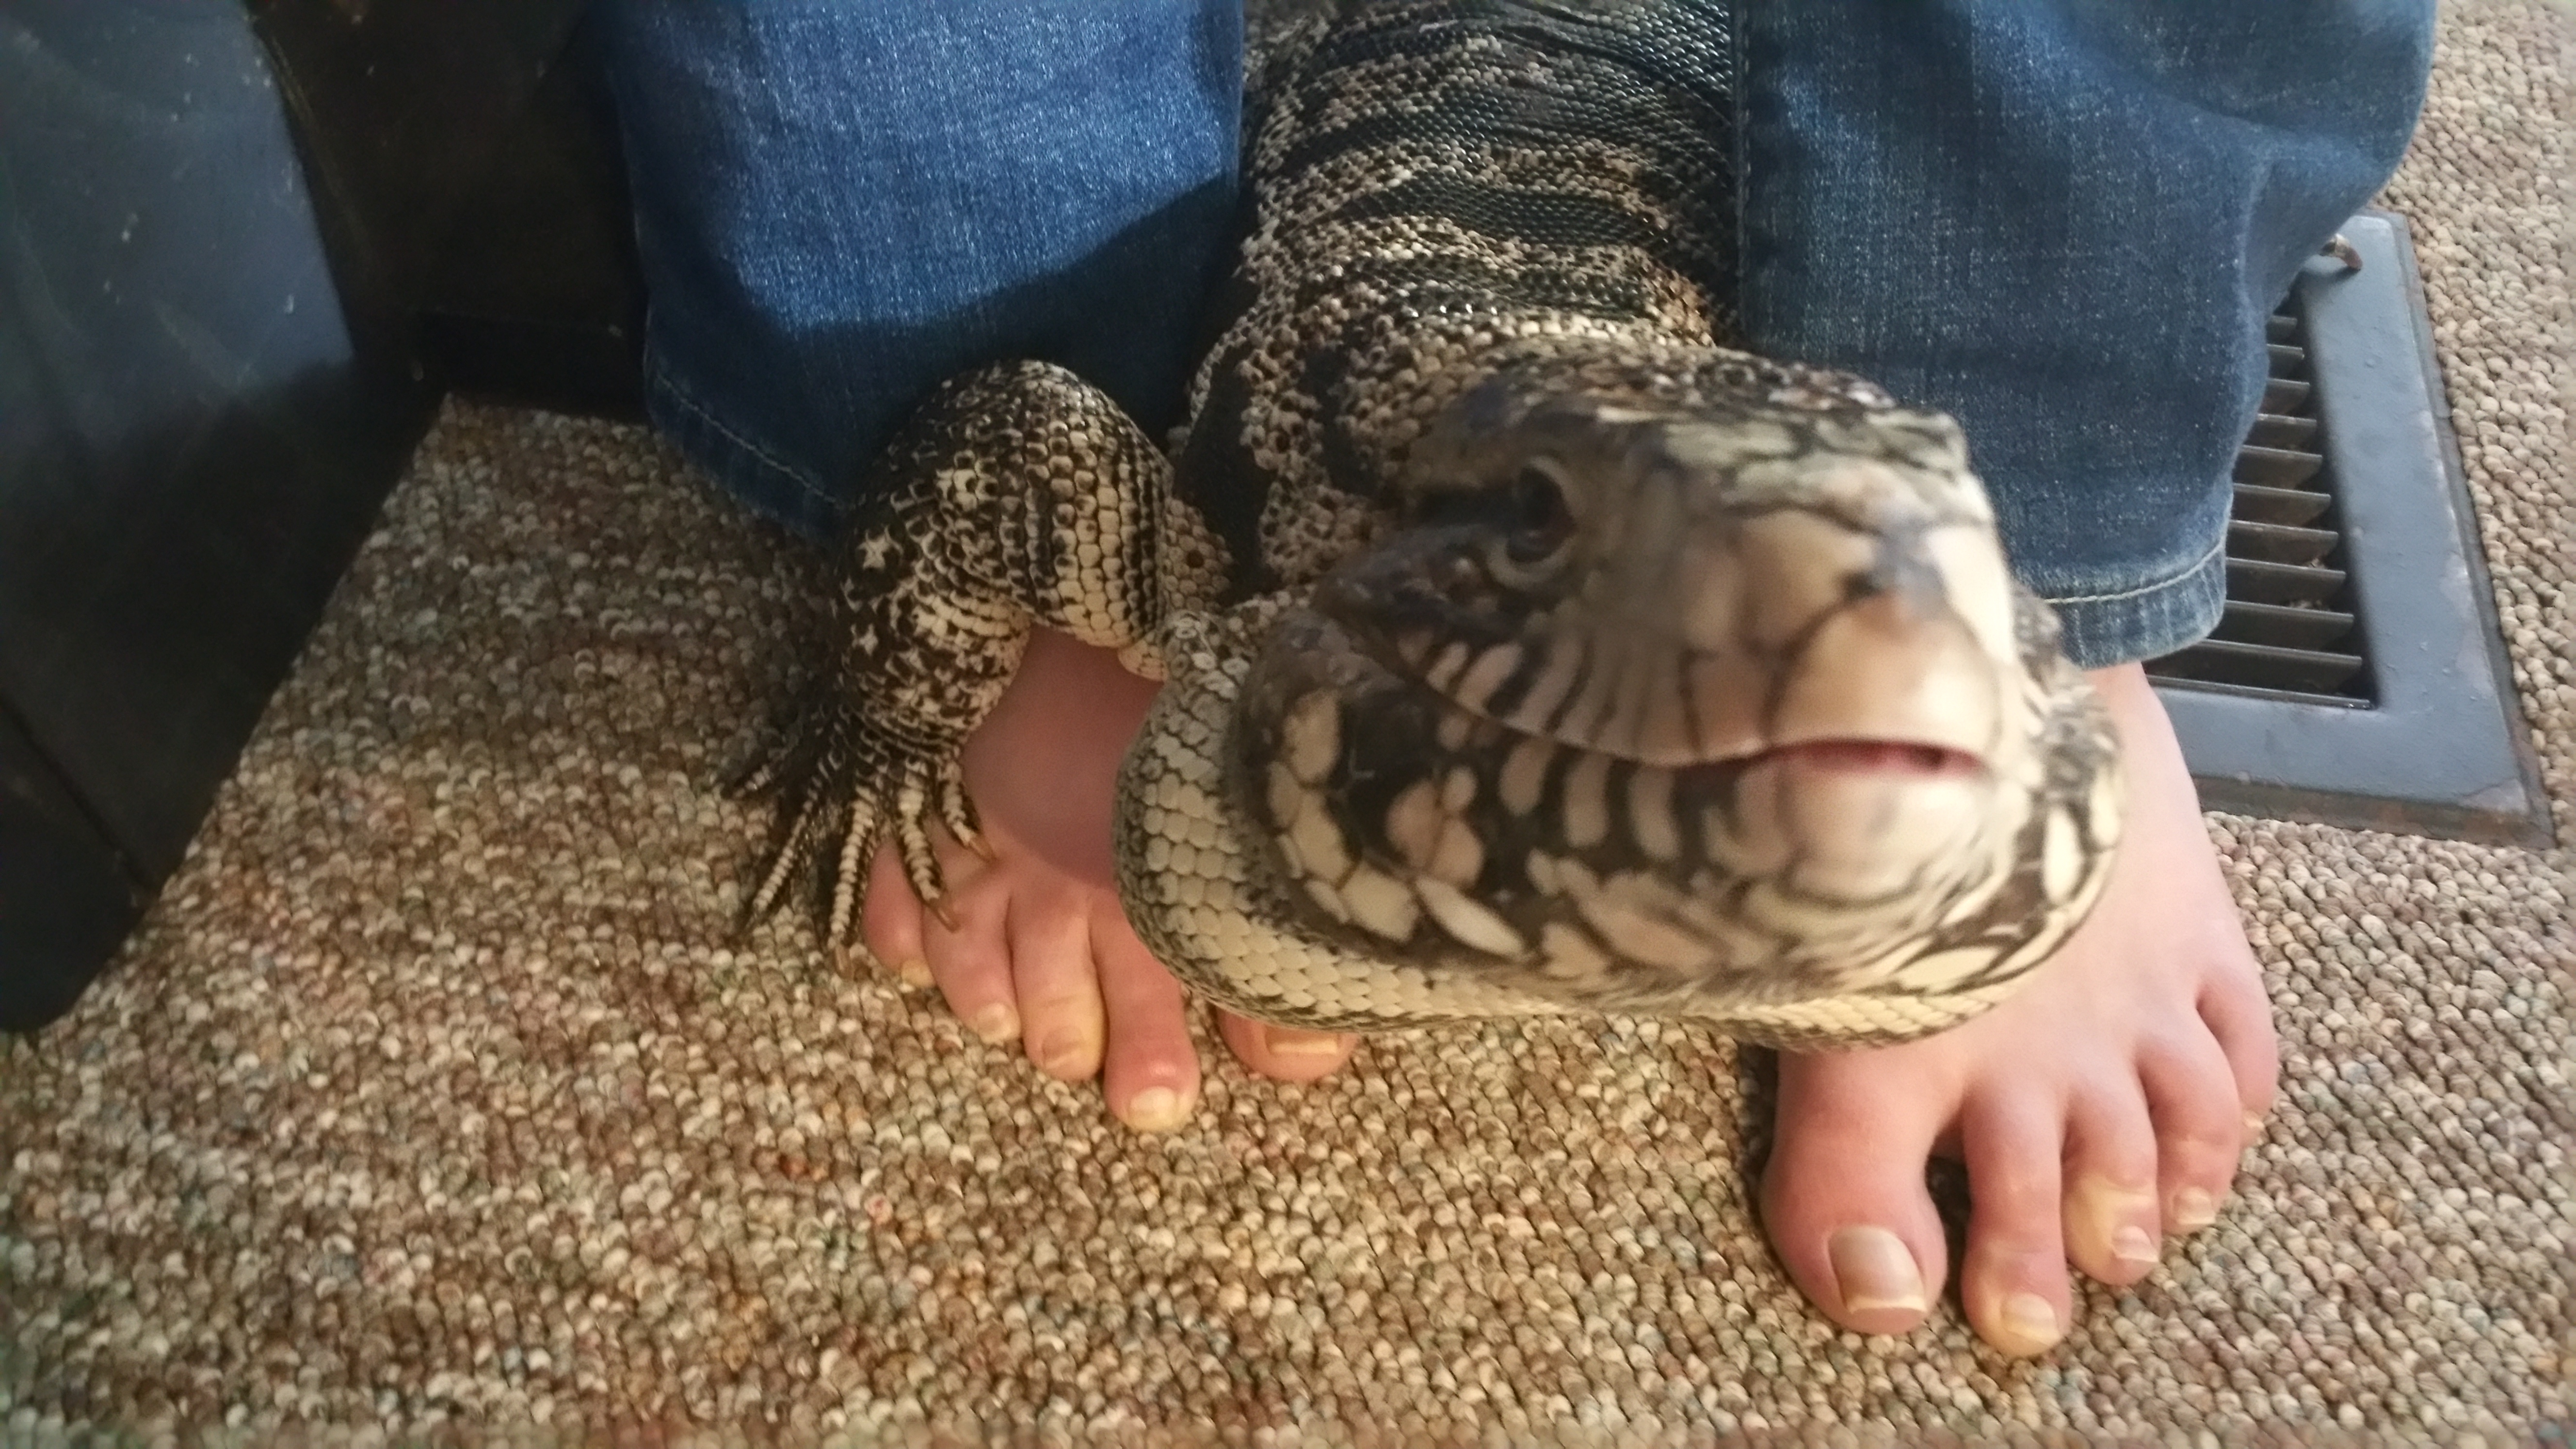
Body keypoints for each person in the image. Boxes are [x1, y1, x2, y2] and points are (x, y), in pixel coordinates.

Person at [595, 0, 2434, 1357]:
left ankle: (2057, 567)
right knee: (952, 210)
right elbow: (1009, 441)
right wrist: (887, 708)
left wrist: (2017, 558)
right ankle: (1003, 323)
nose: (1835, 658)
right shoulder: (1305, 529)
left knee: (2052, 170)